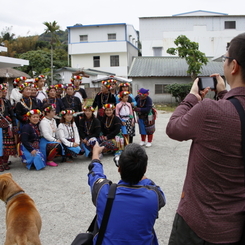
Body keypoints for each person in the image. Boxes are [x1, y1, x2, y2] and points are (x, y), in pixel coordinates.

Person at [166, 33, 245, 245]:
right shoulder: (223, 108)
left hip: (198, 226)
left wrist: (193, 96)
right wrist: (224, 95)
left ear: (234, 66)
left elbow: (173, 128)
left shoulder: (210, 111)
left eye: (225, 59)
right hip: (235, 229)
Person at [88, 142, 166, 244]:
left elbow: (95, 174)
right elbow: (159, 194)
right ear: (145, 169)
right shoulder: (154, 196)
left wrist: (95, 154)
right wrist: (138, 172)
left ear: (119, 168)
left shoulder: (103, 191)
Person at [0, 84, 18, 172]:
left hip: (6, 126)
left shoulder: (6, 101)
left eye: (5, 91)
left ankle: (5, 162)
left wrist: (14, 124)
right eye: (2, 91)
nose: (4, 92)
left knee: (7, 146)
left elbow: (11, 113)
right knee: (0, 145)